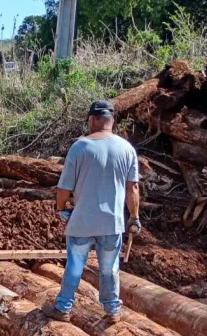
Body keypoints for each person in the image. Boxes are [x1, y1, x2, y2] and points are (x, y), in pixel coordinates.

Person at [43, 100, 140, 324]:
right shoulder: (127, 149)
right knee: (109, 268)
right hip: (112, 223)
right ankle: (113, 309)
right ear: (112, 121)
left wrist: (60, 209)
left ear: (92, 119)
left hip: (82, 222)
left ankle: (63, 307)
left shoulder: (80, 147)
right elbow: (132, 187)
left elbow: (64, 188)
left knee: (75, 266)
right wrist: (134, 216)